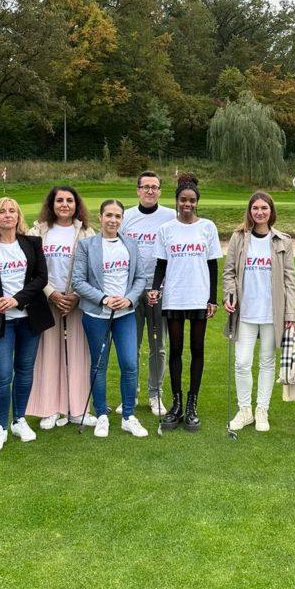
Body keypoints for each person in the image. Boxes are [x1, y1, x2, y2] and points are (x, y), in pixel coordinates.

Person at [0, 198, 54, 452]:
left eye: (12, 211)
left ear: (18, 217)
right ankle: (0, 427)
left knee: (25, 370)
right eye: (2, 212)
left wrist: (17, 299)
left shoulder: (32, 243)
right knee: (2, 374)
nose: (7, 215)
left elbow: (41, 278)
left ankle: (19, 420)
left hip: (29, 318)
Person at [148, 173, 223, 432]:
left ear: (197, 202)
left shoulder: (208, 227)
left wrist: (212, 299)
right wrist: (155, 288)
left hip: (199, 296)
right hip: (174, 297)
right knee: (176, 351)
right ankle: (177, 404)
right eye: (183, 200)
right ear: (177, 201)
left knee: (197, 349)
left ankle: (192, 405)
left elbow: (213, 265)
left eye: (191, 200)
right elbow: (161, 264)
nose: (187, 204)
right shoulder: (166, 229)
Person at [72, 200, 148, 439]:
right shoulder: (86, 245)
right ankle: (102, 414)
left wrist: (129, 299)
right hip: (97, 315)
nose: (113, 220)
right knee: (99, 365)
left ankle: (128, 416)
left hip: (125, 315)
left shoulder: (131, 244)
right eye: (109, 215)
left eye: (117, 216)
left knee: (129, 364)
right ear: (100, 217)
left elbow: (140, 278)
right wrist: (104, 299)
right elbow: (78, 281)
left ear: (122, 219)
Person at [223, 192, 295, 432]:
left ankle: (261, 410)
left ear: (271, 211)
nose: (259, 212)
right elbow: (229, 272)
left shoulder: (282, 240)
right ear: (250, 211)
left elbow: (290, 280)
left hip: (272, 313)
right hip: (245, 312)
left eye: (264, 208)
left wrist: (291, 314)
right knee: (242, 362)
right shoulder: (238, 237)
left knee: (267, 362)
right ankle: (244, 410)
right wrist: (229, 295)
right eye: (255, 208)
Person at [25, 185, 95, 430]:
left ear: (76, 205)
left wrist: (76, 295)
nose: (64, 204)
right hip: (47, 301)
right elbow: (31, 268)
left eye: (69, 200)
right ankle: (50, 409)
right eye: (59, 200)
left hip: (77, 302)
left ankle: (78, 409)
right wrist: (51, 293)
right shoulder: (38, 231)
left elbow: (93, 269)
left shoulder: (86, 232)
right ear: (51, 204)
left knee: (78, 355)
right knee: (47, 356)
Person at [121, 171, 175, 417]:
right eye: (146, 187)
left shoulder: (170, 216)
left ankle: (155, 394)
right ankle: (131, 394)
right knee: (131, 345)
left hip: (159, 290)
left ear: (160, 191)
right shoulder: (126, 217)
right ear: (138, 190)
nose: (150, 191)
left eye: (155, 187)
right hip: (131, 290)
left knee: (158, 346)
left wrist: (161, 286)